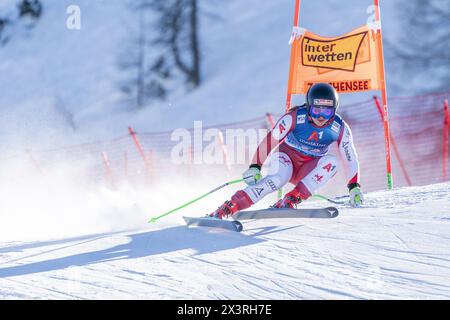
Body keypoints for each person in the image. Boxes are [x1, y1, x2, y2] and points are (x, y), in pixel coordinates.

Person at [210, 82, 363, 219]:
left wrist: (354, 186)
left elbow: (350, 156)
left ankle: (292, 198)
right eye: (317, 111)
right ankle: (230, 206)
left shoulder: (339, 128)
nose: (321, 117)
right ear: (309, 107)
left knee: (333, 162)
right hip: (286, 158)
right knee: (277, 179)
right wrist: (255, 166)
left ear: (334, 110)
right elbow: (270, 141)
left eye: (327, 112)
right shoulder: (295, 117)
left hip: (308, 169)